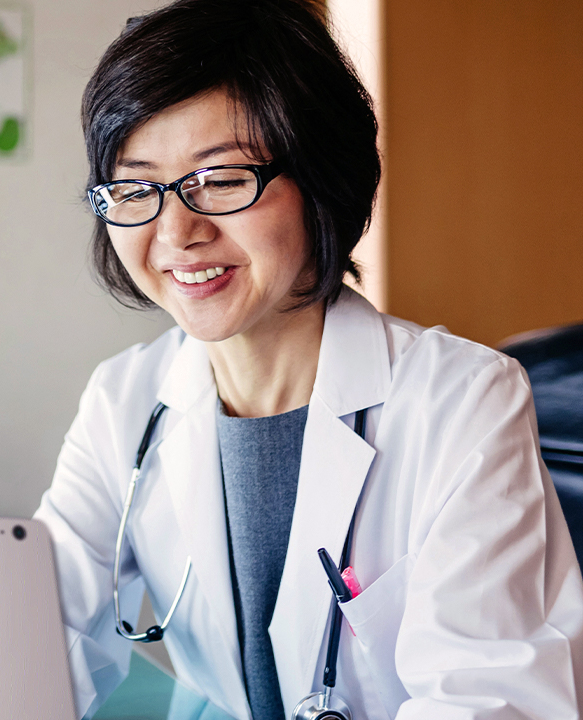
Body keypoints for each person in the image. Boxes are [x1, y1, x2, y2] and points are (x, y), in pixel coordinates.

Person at [32, 1, 583, 719]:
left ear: (322, 177)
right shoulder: (124, 400)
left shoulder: (463, 399)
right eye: (137, 188)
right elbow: (37, 644)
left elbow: (487, 698)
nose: (177, 231)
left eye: (222, 179)